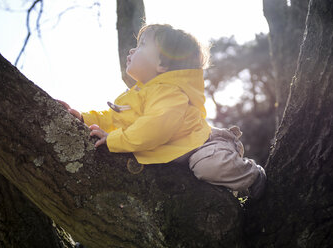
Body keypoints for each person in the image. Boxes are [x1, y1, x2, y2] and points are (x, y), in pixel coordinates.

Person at [58, 24, 266, 199]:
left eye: (141, 46)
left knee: (207, 167)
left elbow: (154, 128)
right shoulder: (138, 94)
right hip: (179, 152)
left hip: (204, 144)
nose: (131, 51)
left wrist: (113, 140)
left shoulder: (170, 93)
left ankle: (252, 175)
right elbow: (114, 118)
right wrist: (84, 118)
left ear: (162, 64)